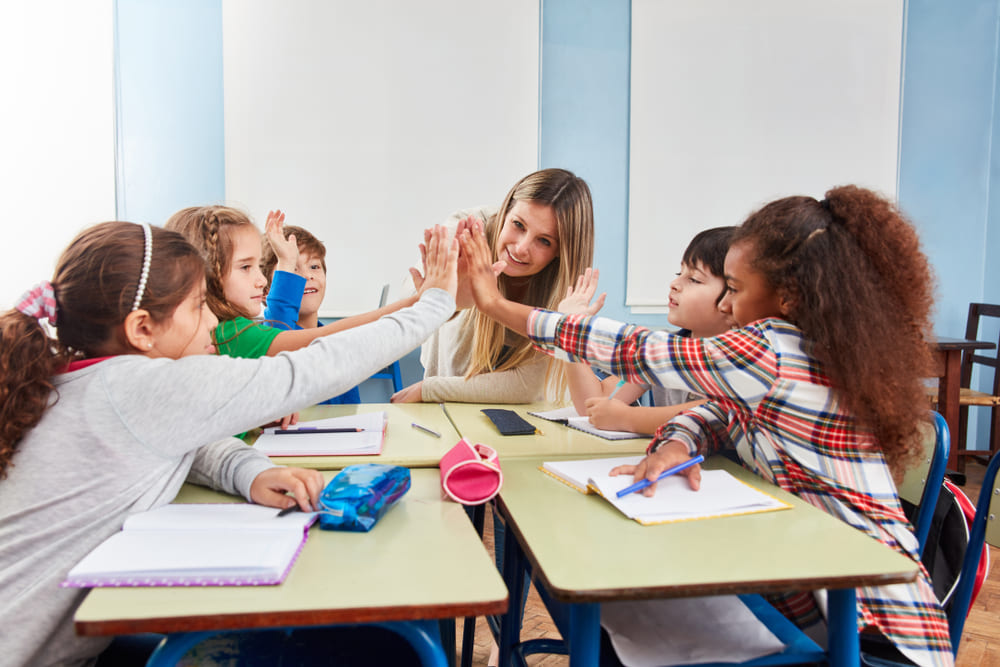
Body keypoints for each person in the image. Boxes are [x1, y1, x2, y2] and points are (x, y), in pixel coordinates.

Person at [460, 185, 953, 667]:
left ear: (790, 294)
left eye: (733, 289)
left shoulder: (774, 349)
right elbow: (716, 412)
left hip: (876, 638)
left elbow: (637, 350)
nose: (724, 306)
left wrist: (497, 304)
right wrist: (676, 444)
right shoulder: (805, 353)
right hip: (819, 605)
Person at [0, 221, 457, 667]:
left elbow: (189, 443)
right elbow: (312, 369)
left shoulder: (88, 381)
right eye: (199, 305)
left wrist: (249, 471)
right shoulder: (140, 386)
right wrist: (433, 303)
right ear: (142, 329)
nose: (213, 318)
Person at [390, 167, 595, 404]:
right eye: (518, 224)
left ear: (561, 252)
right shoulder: (465, 232)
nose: (521, 247)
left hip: (519, 416)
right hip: (449, 409)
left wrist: (430, 389)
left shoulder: (565, 292)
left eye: (544, 241)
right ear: (505, 210)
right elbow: (407, 309)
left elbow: (525, 386)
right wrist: (445, 290)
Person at [165, 205, 425, 359]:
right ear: (206, 273)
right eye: (245, 267)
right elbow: (324, 339)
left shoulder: (226, 331)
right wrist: (417, 302)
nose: (260, 280)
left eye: (257, 266)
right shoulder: (231, 333)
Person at [563, 227, 736, 435]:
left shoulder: (746, 360)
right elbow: (591, 405)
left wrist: (626, 418)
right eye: (679, 274)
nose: (674, 284)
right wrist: (570, 329)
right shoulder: (662, 348)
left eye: (694, 279)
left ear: (736, 296)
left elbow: (712, 414)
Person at [260, 222, 361, 403]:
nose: (308, 276)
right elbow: (279, 322)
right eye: (292, 269)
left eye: (314, 267)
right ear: (266, 291)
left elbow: (351, 410)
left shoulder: (337, 345)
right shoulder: (271, 335)